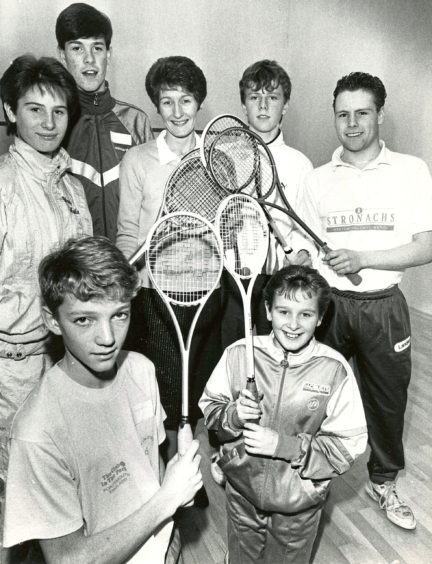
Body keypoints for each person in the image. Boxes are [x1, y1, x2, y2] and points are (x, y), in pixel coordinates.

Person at [3, 236, 203, 563]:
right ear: (52, 320)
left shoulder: (140, 369)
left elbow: (150, 460)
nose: (108, 338)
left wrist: (177, 489)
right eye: (84, 320)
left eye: (119, 315)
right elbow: (68, 560)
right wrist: (168, 499)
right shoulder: (37, 431)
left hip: (167, 546)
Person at [299, 71, 432, 530]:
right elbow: (305, 248)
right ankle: (308, 479)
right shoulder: (316, 181)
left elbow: (427, 245)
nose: (352, 123)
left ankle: (384, 482)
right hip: (331, 306)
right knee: (314, 399)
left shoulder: (412, 170)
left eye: (362, 113)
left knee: (387, 402)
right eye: (342, 114)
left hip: (385, 308)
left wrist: (364, 257)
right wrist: (304, 259)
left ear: (379, 115)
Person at [199, 265, 367, 563]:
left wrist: (283, 446)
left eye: (305, 314)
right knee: (241, 558)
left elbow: (346, 446)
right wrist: (234, 416)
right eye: (283, 311)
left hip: (299, 502)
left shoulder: (334, 370)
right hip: (242, 491)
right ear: (267, 311)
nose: (293, 324)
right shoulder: (239, 353)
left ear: (320, 318)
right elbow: (211, 411)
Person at [0, 54, 92, 537]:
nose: (48, 123)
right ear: (11, 112)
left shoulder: (74, 190)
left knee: (59, 489)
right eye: (35, 110)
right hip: (10, 373)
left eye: (58, 111)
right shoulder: (3, 186)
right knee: (13, 496)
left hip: (64, 366)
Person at [117, 56, 221, 461]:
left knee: (196, 387)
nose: (177, 112)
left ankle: (187, 461)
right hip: (155, 293)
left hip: (207, 289)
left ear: (199, 103)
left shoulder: (216, 159)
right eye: (167, 102)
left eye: (186, 100)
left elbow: (224, 229)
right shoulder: (138, 160)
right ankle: (170, 468)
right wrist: (128, 274)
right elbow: (128, 230)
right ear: (156, 107)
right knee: (165, 385)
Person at [221, 60, 314, 351]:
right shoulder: (222, 157)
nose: (263, 105)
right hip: (232, 281)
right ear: (243, 105)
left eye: (272, 97)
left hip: (280, 281)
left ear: (285, 105)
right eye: (254, 97)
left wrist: (300, 252)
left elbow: (305, 225)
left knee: (275, 361)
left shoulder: (300, 164)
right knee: (234, 358)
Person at [56, 2, 153, 241]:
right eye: (77, 48)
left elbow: (151, 203)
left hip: (128, 264)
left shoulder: (136, 121)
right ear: (62, 54)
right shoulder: (53, 123)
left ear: (108, 53)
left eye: (97, 48)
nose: (89, 59)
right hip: (74, 265)